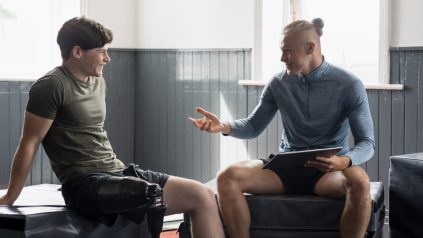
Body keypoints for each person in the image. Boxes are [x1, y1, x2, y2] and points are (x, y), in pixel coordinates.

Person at [0, 16, 224, 238]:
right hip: (83, 183)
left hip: (117, 172)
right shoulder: (51, 85)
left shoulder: (98, 81)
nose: (107, 58)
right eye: (101, 51)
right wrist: (10, 196)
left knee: (202, 195)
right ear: (77, 52)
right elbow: (29, 142)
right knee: (147, 195)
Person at [189, 18, 374, 238]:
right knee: (226, 176)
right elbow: (253, 125)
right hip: (286, 167)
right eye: (281, 51)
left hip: (327, 171)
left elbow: (367, 143)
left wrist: (344, 161)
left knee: (361, 181)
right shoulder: (278, 83)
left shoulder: (349, 84)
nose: (282, 58)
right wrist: (224, 126)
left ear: (310, 48)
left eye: (287, 52)